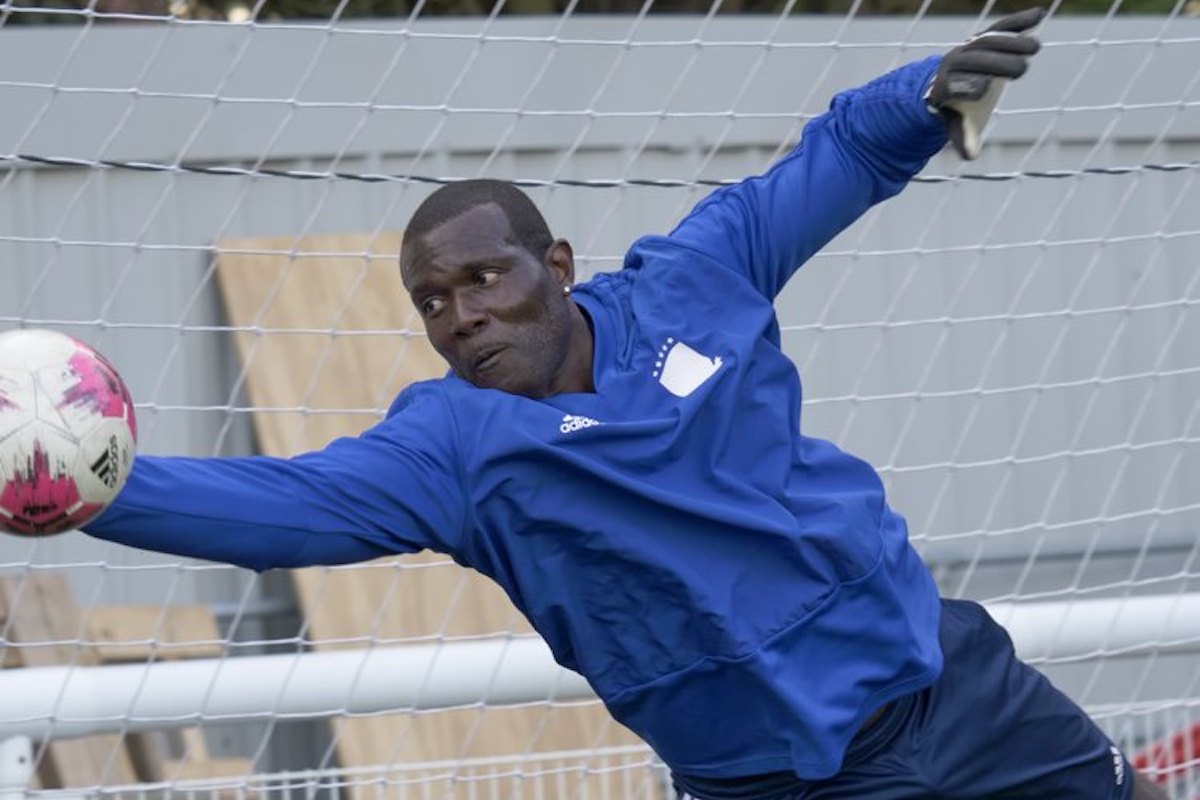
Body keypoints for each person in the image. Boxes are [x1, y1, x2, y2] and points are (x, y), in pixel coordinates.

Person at [77, 9, 1169, 799]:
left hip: (955, 689)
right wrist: (83, 483)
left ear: (554, 260)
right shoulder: (453, 447)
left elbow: (831, 156)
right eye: (431, 300)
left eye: (483, 278)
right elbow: (273, 509)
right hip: (776, 784)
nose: (460, 314)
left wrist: (923, 93)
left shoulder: (695, 278)